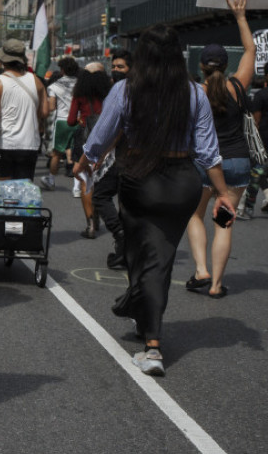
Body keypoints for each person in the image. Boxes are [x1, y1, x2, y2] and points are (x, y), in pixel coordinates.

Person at [75, 21, 234, 377]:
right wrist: (223, 193)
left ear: (142, 56)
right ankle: (140, 310)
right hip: (182, 183)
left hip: (139, 180)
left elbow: (101, 136)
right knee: (156, 256)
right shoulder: (195, 94)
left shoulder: (126, 89)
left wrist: (83, 163)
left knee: (145, 258)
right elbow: (209, 152)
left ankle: (152, 345)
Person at [184, 0, 255, 299]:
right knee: (224, 224)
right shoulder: (238, 86)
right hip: (237, 162)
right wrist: (240, 16)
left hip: (205, 164)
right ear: (227, 65)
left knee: (195, 216)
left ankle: (201, 271)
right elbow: (251, 50)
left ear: (200, 66)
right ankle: (216, 286)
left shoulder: (194, 92)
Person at [0, 39, 48, 180]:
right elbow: (44, 112)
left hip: (4, 143)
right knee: (23, 190)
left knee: (4, 190)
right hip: (29, 144)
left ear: (3, 60)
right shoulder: (36, 81)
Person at [94, 48, 131, 269]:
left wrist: (101, 152)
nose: (116, 70)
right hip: (127, 155)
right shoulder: (118, 89)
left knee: (101, 194)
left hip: (124, 156)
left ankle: (121, 235)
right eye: (114, 66)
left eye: (121, 67)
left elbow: (116, 128)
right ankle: (124, 249)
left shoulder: (123, 90)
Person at [67, 64, 112, 238]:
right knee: (102, 178)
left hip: (85, 138)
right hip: (107, 138)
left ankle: (91, 224)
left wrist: (81, 119)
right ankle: (100, 213)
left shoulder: (79, 94)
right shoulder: (109, 93)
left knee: (86, 180)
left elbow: (71, 120)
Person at [41, 56, 79, 190]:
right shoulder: (81, 84)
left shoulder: (54, 86)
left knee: (56, 153)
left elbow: (51, 107)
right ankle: (78, 185)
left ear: (62, 70)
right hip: (79, 121)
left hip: (62, 121)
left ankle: (51, 179)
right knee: (78, 153)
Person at [238, 62, 268, 218]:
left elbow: (255, 121)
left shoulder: (260, 95)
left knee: (256, 173)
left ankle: (245, 209)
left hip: (261, 139)